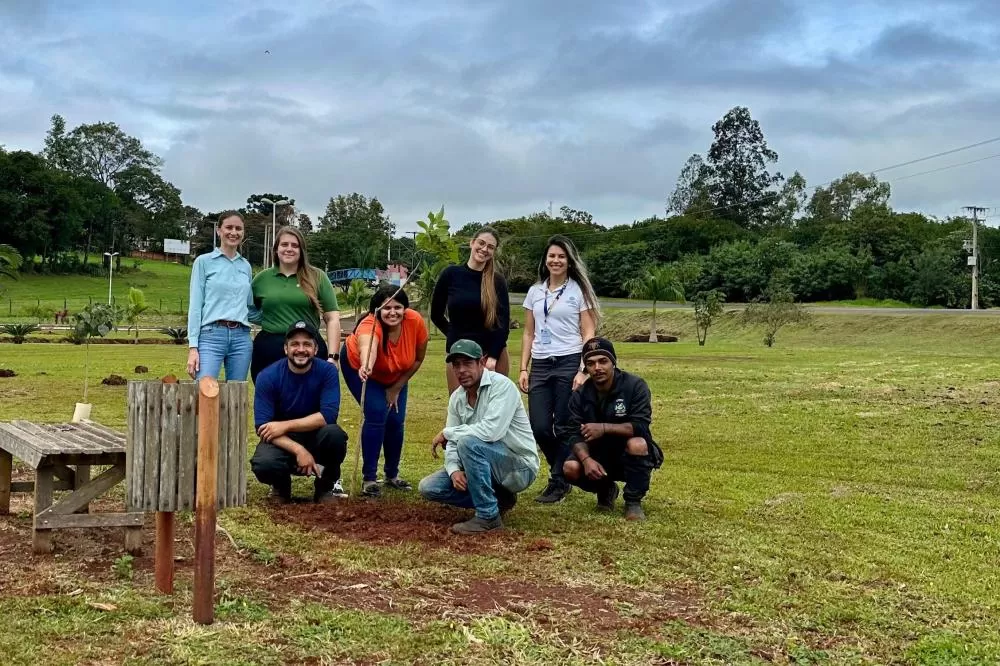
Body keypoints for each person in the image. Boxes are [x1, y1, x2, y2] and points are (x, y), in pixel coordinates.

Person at [419, 339, 539, 535]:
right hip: (485, 462)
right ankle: (500, 499)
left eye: (467, 363)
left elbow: (492, 432)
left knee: (468, 442)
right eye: (456, 365)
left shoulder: (503, 387)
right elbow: (452, 444)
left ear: (482, 362)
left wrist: (448, 433)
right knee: (430, 487)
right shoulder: (457, 398)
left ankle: (488, 516)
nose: (461, 370)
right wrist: (453, 470)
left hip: (519, 466)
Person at [518, 235, 600, 504]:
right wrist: (523, 368)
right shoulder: (535, 292)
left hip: (569, 360)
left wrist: (583, 369)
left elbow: (588, 332)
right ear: (545, 260)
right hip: (541, 363)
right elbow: (528, 333)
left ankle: (558, 481)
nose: (556, 260)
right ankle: (564, 471)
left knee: (564, 426)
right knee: (539, 426)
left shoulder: (577, 291)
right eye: (552, 256)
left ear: (569, 261)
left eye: (561, 256)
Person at [560, 337, 663, 521]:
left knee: (638, 444)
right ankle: (605, 489)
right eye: (590, 363)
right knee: (570, 468)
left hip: (626, 452)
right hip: (597, 453)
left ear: (613, 362)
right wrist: (586, 460)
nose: (597, 367)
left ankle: (633, 501)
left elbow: (641, 426)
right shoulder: (579, 396)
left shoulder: (635, 386)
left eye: (603, 361)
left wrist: (604, 428)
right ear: (586, 368)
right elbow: (573, 433)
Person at [341, 284, 428, 497]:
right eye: (386, 308)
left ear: (405, 308)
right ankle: (369, 478)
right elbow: (367, 345)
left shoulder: (415, 321)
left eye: (398, 307)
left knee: (396, 420)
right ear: (376, 310)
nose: (392, 312)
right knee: (377, 413)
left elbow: (417, 358)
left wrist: (396, 387)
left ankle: (392, 475)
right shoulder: (370, 325)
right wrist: (366, 364)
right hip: (360, 369)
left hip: (397, 374)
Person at [250, 321, 349, 504]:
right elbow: (263, 427)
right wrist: (299, 450)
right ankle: (280, 487)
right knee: (264, 463)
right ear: (286, 348)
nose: (301, 349)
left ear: (316, 348)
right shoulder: (267, 376)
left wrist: (285, 425)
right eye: (295, 344)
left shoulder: (328, 372)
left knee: (334, 435)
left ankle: (325, 488)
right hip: (283, 440)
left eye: (307, 344)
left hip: (316, 435)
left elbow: (328, 416)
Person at [250, 225, 341, 382]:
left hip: (306, 348)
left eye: (295, 245)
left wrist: (333, 356)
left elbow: (332, 319)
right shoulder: (261, 279)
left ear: (302, 250)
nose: (289, 249)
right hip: (268, 350)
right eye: (284, 244)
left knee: (308, 402)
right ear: (276, 249)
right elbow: (249, 311)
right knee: (270, 401)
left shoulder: (317, 277)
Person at [431, 227, 510, 394]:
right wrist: (455, 337)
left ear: (494, 252)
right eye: (481, 243)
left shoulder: (497, 281)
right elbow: (436, 314)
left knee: (494, 411)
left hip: (492, 354)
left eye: (490, 247)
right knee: (460, 408)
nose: (484, 249)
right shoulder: (451, 274)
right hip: (459, 353)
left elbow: (503, 323)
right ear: (472, 243)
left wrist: (493, 357)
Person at [186, 211, 256, 380]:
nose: (234, 232)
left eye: (238, 228)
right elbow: (195, 306)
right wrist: (193, 347)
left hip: (241, 337)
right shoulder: (204, 262)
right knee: (205, 391)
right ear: (219, 231)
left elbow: (249, 307)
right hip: (211, 336)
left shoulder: (245, 266)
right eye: (229, 227)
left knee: (236, 396)